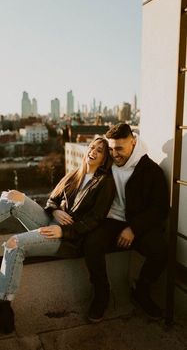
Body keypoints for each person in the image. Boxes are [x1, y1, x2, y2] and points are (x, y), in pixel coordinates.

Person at [0, 136, 116, 343]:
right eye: (91, 147)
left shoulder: (105, 183)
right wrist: (55, 211)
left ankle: (1, 311)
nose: (93, 151)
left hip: (69, 239)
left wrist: (64, 232)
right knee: (13, 196)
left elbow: (95, 220)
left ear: (105, 158)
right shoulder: (76, 174)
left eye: (100, 150)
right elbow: (51, 199)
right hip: (51, 223)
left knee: (14, 244)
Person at [83, 123, 169, 322]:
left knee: (160, 250)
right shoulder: (108, 163)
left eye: (119, 148)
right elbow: (82, 177)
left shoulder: (151, 170)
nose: (114, 154)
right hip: (111, 221)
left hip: (137, 224)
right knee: (91, 244)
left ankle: (141, 291)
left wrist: (134, 228)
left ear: (134, 142)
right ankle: (102, 294)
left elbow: (160, 208)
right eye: (111, 149)